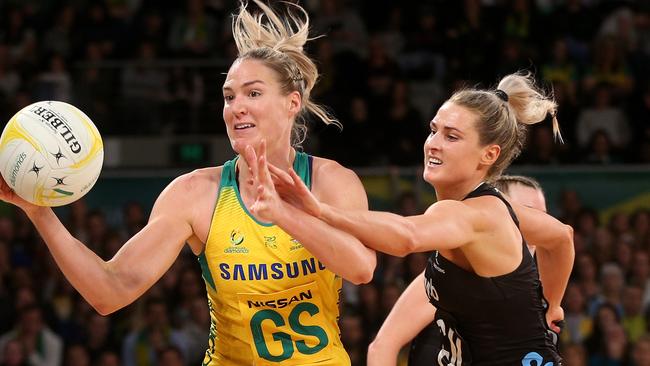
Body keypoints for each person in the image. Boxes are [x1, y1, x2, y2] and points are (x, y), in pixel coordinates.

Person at [0, 1, 376, 365]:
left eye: (253, 93)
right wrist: (39, 212)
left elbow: (361, 268)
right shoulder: (194, 194)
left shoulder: (331, 181)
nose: (236, 106)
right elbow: (109, 292)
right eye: (229, 96)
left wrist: (282, 212)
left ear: (292, 103)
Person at [244, 72, 574, 365]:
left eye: (452, 136)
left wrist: (321, 210)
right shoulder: (501, 210)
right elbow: (561, 237)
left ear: (488, 155)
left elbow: (407, 237)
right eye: (434, 130)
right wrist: (552, 304)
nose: (433, 144)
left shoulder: (474, 215)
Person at [366, 175, 549, 366]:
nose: (538, 223)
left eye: (543, 215)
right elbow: (382, 347)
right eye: (527, 212)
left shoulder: (534, 288)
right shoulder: (446, 274)